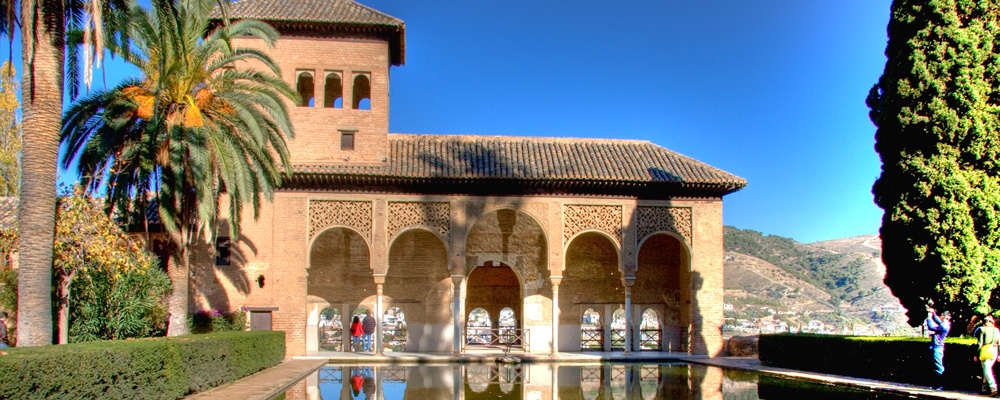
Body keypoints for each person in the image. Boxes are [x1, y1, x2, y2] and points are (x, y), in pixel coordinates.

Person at [925, 308, 951, 390]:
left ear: (945, 317)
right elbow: (937, 320)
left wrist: (929, 317)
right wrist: (934, 313)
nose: (940, 316)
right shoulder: (944, 324)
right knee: (935, 365)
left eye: (942, 315)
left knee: (938, 366)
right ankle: (937, 384)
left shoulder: (943, 326)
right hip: (937, 347)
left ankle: (941, 384)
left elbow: (931, 327)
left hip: (937, 347)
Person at [975, 315, 1000, 396]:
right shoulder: (996, 330)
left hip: (985, 351)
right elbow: (999, 343)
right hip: (994, 351)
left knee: (986, 369)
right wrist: (999, 355)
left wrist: (976, 354)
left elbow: (980, 343)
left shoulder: (982, 329)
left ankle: (993, 388)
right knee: (986, 369)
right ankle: (984, 389)